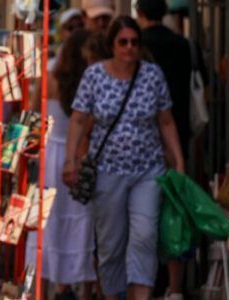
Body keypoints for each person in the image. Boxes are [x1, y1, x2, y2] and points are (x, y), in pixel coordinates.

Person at [63, 16, 184, 300]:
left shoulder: (152, 75)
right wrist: (70, 160)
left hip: (147, 170)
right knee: (111, 244)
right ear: (112, 45)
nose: (129, 48)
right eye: (123, 42)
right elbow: (79, 121)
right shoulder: (95, 76)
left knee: (144, 236)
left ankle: (139, 296)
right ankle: (113, 294)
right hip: (107, 170)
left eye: (134, 42)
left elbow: (166, 121)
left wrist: (178, 162)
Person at [135, 1, 208, 299]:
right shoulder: (185, 46)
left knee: (144, 219)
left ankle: (148, 283)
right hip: (179, 136)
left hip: (145, 143)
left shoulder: (133, 46)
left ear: (139, 13)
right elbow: (204, 89)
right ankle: (174, 288)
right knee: (174, 214)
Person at [39, 29, 110, 300]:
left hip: (53, 153)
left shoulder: (51, 79)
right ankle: (85, 288)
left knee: (50, 222)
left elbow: (35, 114)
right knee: (84, 223)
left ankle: (49, 289)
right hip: (84, 153)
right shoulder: (93, 82)